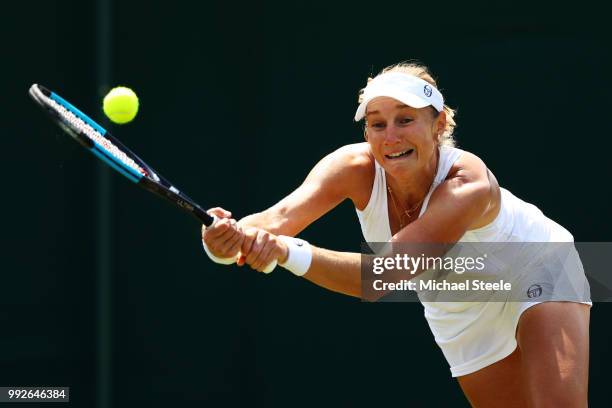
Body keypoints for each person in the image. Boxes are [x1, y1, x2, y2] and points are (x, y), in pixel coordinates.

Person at [201, 62, 591, 407]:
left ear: (439, 125)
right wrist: (225, 242)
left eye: (405, 120)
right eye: (377, 123)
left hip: (537, 265)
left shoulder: (467, 184)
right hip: (459, 304)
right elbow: (275, 219)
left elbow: (381, 276)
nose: (390, 137)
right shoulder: (351, 166)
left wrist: (286, 253)